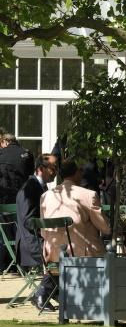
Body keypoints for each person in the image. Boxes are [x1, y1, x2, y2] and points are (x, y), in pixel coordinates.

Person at [37, 159, 111, 309]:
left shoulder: (46, 196)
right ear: (77, 173)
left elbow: (44, 232)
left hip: (53, 256)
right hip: (82, 255)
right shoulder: (88, 195)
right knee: (112, 255)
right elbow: (106, 228)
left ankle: (51, 293)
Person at [15, 153, 58, 310]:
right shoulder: (29, 188)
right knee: (61, 257)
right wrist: (51, 225)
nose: (56, 171)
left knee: (67, 250)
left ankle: (55, 292)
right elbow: (28, 221)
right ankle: (41, 293)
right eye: (53, 168)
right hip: (31, 243)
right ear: (41, 169)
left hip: (39, 240)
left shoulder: (39, 186)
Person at [0, 132, 35, 204]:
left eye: (1, 143)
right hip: (23, 196)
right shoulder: (27, 153)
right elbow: (31, 174)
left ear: (5, 141)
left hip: (3, 197)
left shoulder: (1, 153)